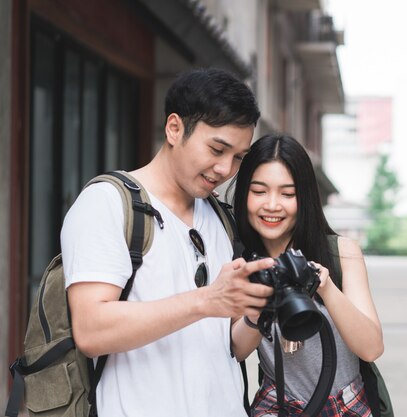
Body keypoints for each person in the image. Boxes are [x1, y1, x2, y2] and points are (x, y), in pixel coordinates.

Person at [61, 68, 275, 417]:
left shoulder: (221, 218)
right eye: (217, 149)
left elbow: (229, 348)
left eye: (238, 157)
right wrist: (207, 299)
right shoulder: (107, 204)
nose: (225, 169)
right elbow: (91, 330)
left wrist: (256, 310)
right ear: (174, 128)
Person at [230, 133, 385, 416]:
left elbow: (371, 348)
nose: (272, 205)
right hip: (277, 404)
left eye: (288, 194)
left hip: (347, 404)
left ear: (305, 198)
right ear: (244, 194)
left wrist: (325, 288)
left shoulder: (341, 253)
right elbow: (236, 352)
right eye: (259, 191)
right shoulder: (239, 261)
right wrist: (258, 307)